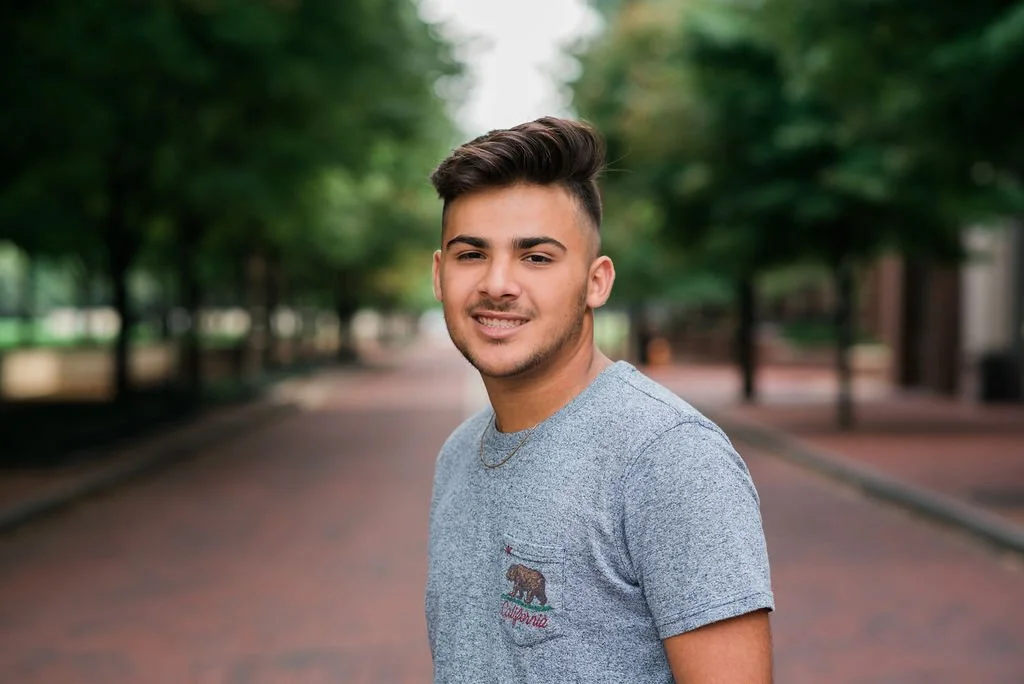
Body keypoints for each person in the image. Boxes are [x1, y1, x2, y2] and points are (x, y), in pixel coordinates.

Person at [424, 116, 774, 683]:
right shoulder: (459, 455)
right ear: (440, 275)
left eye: (536, 257)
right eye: (471, 254)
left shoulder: (667, 458)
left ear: (596, 281)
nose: (497, 283)